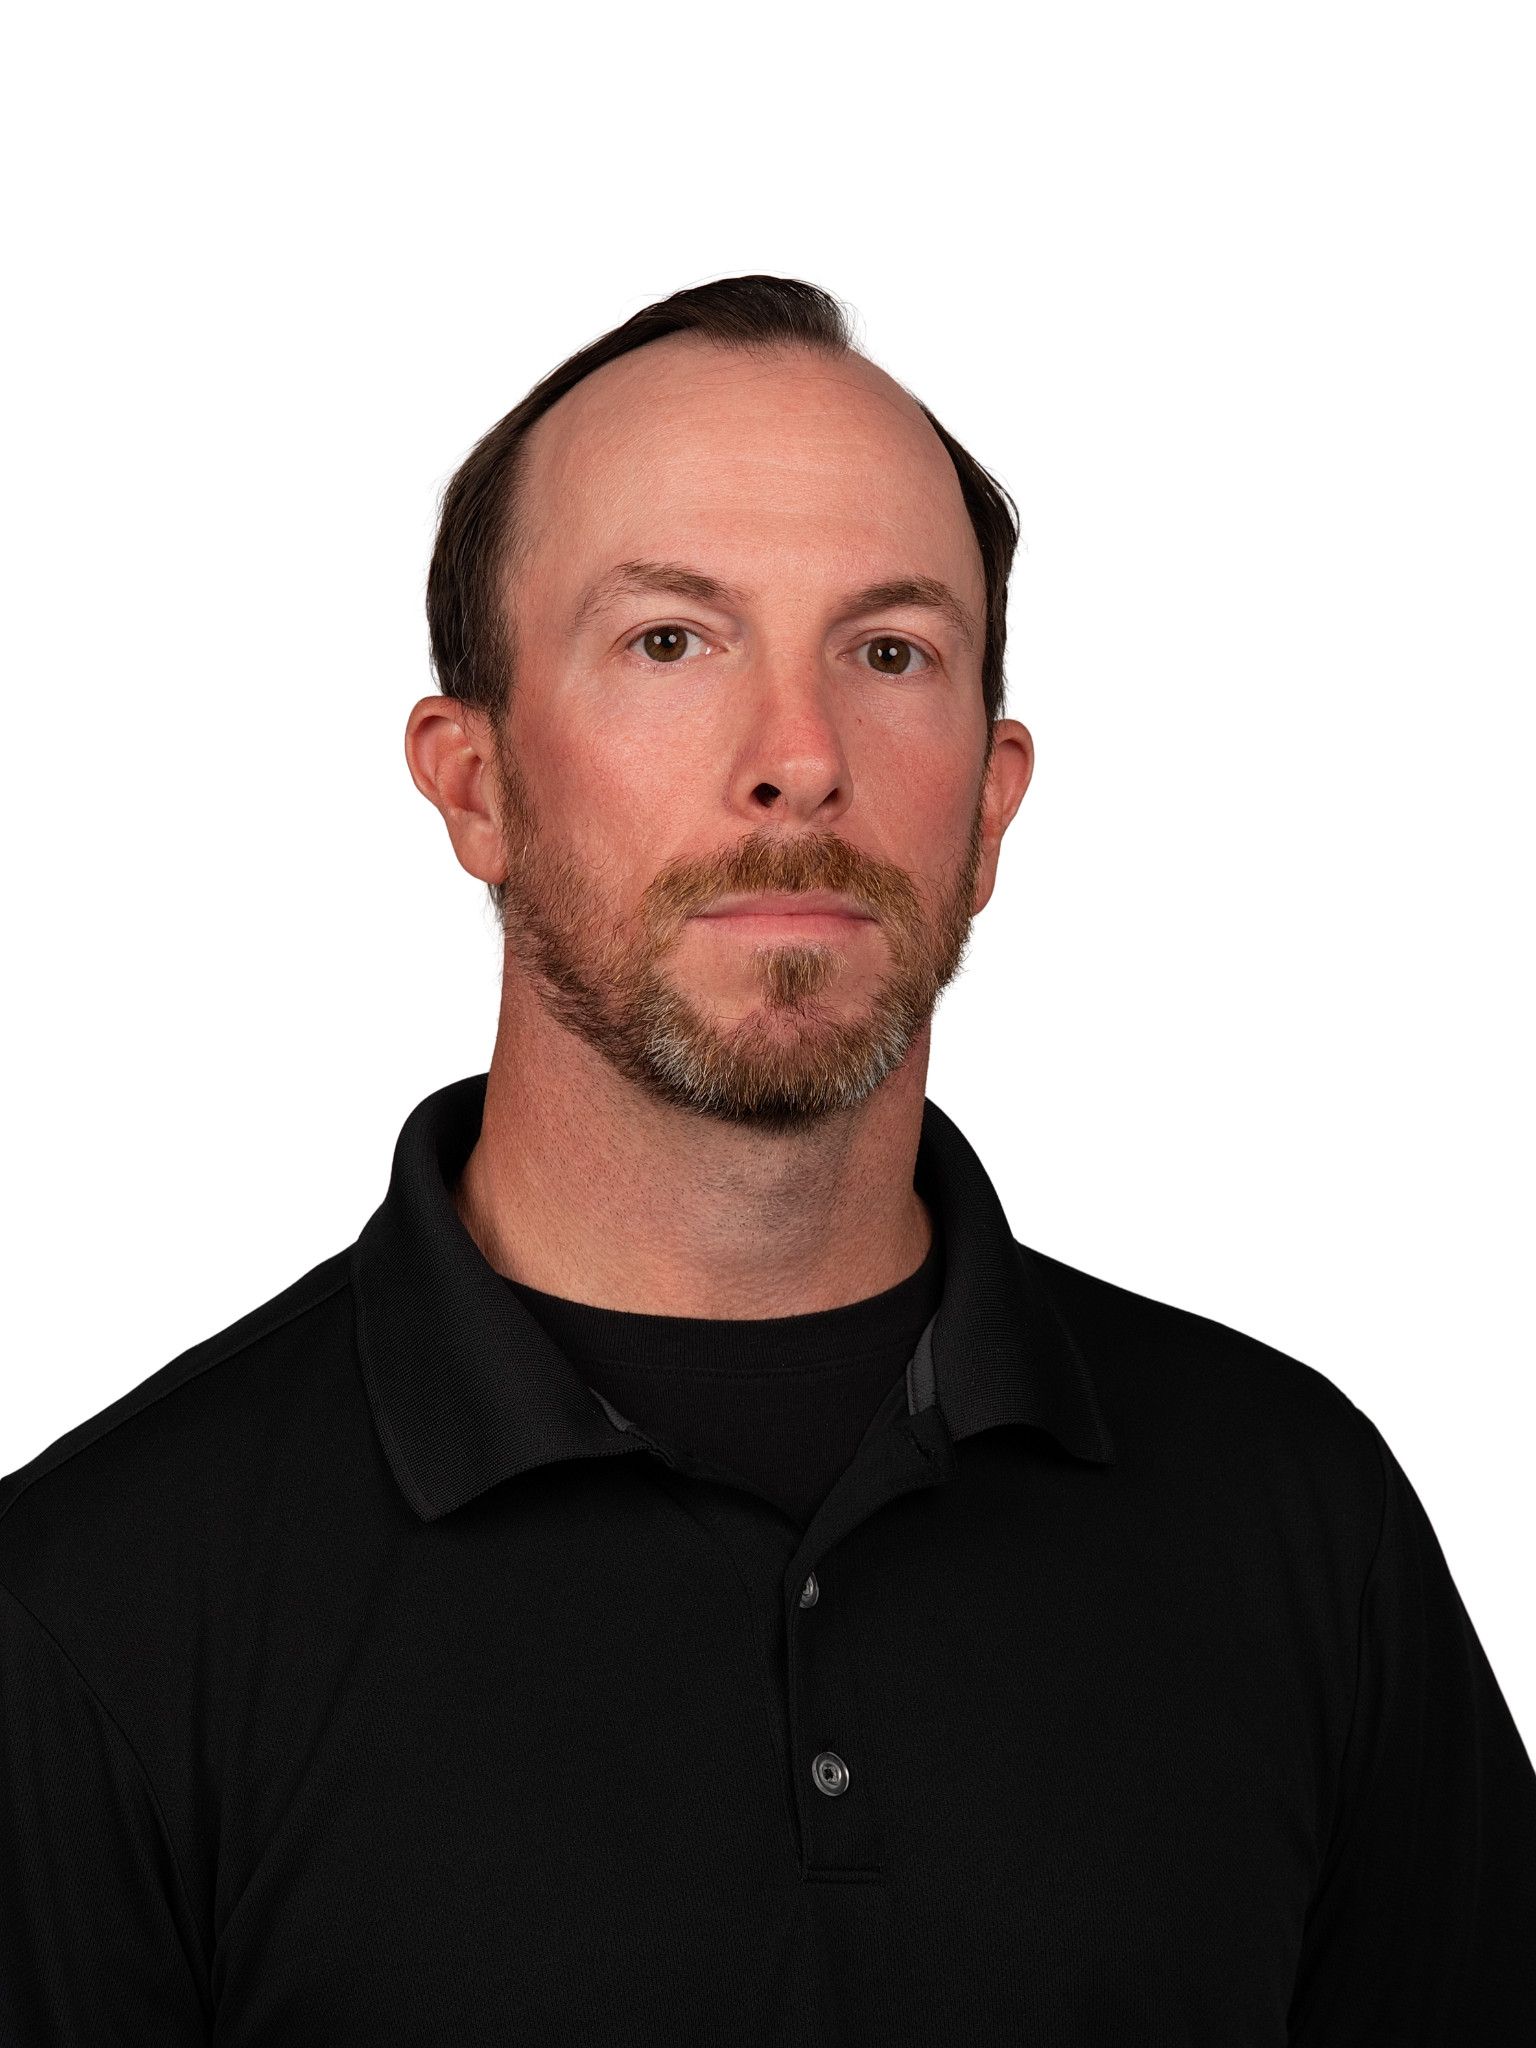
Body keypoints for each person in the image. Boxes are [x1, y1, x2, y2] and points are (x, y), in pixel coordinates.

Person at [2, 274, 1532, 2045]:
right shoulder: (99, 1616)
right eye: (671, 641)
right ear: (475, 781)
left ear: (991, 801)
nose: (798, 760)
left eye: (890, 653)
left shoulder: (1295, 1524)